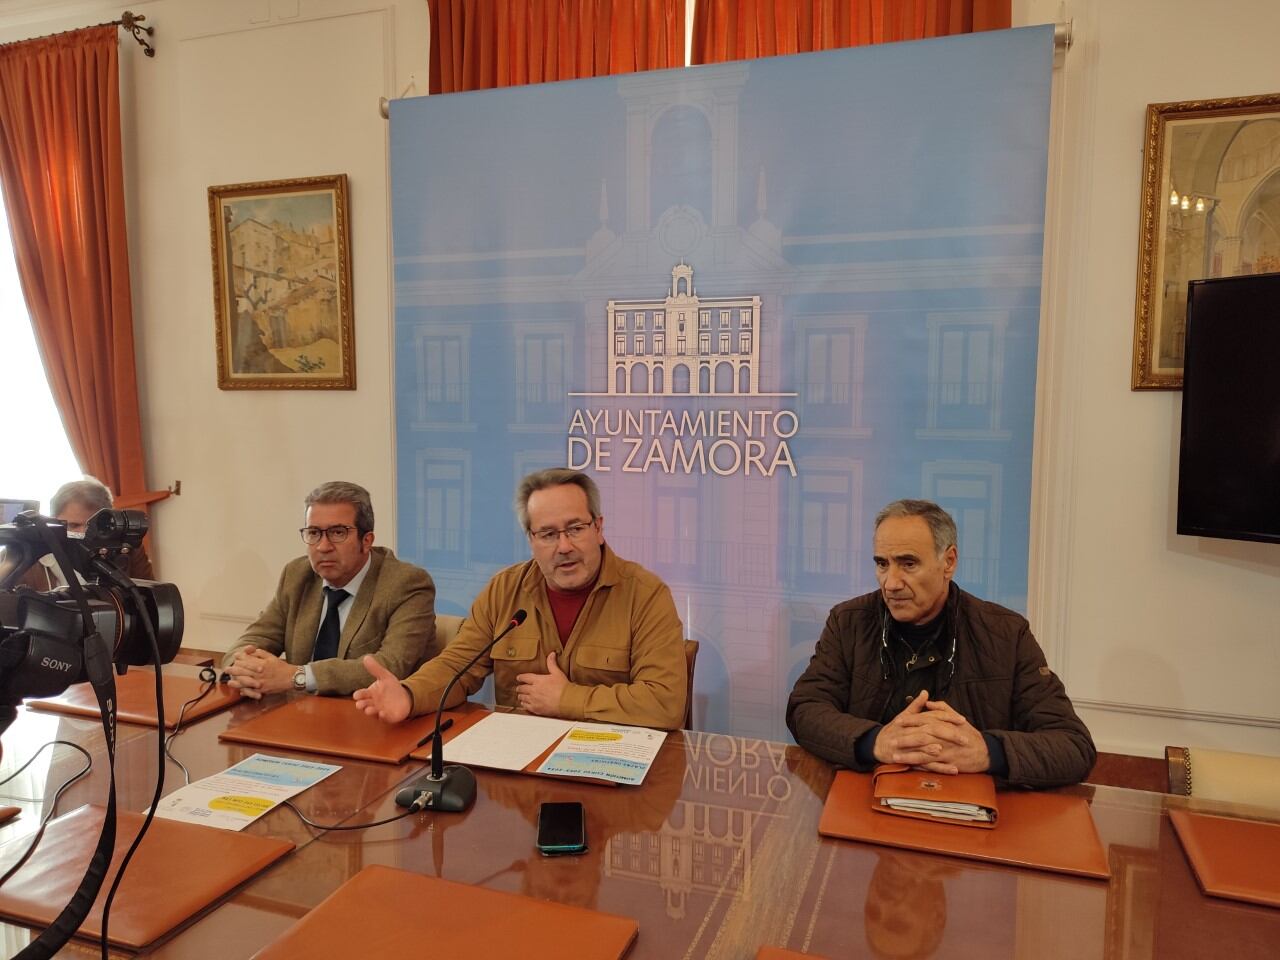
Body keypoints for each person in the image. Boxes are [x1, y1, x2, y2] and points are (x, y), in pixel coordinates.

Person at [786, 499, 1095, 789]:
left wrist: (987, 751)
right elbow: (805, 709)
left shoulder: (1007, 634)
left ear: (948, 562)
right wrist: (876, 741)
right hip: (867, 807)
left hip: (968, 822)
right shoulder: (849, 622)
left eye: (908, 564)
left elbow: (1073, 745)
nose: (890, 583)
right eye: (882, 564)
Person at [354, 468, 687, 730]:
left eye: (575, 529)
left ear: (598, 529)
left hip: (613, 768)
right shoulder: (505, 590)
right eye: (548, 534)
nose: (564, 546)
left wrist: (569, 699)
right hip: (522, 767)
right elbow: (457, 667)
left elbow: (665, 703)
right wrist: (409, 696)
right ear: (531, 540)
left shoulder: (645, 595)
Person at [224, 481, 437, 698]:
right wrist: (242, 667)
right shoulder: (297, 575)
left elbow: (390, 667)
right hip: (301, 716)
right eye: (314, 533)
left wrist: (297, 676)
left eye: (337, 533)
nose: (323, 546)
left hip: (371, 717)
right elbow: (253, 638)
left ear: (367, 540)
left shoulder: (406, 584)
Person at [12, 477, 155, 590]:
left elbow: (150, 601)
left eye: (91, 526)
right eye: (73, 525)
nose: (82, 532)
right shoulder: (25, 556)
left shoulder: (128, 550)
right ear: (53, 520)